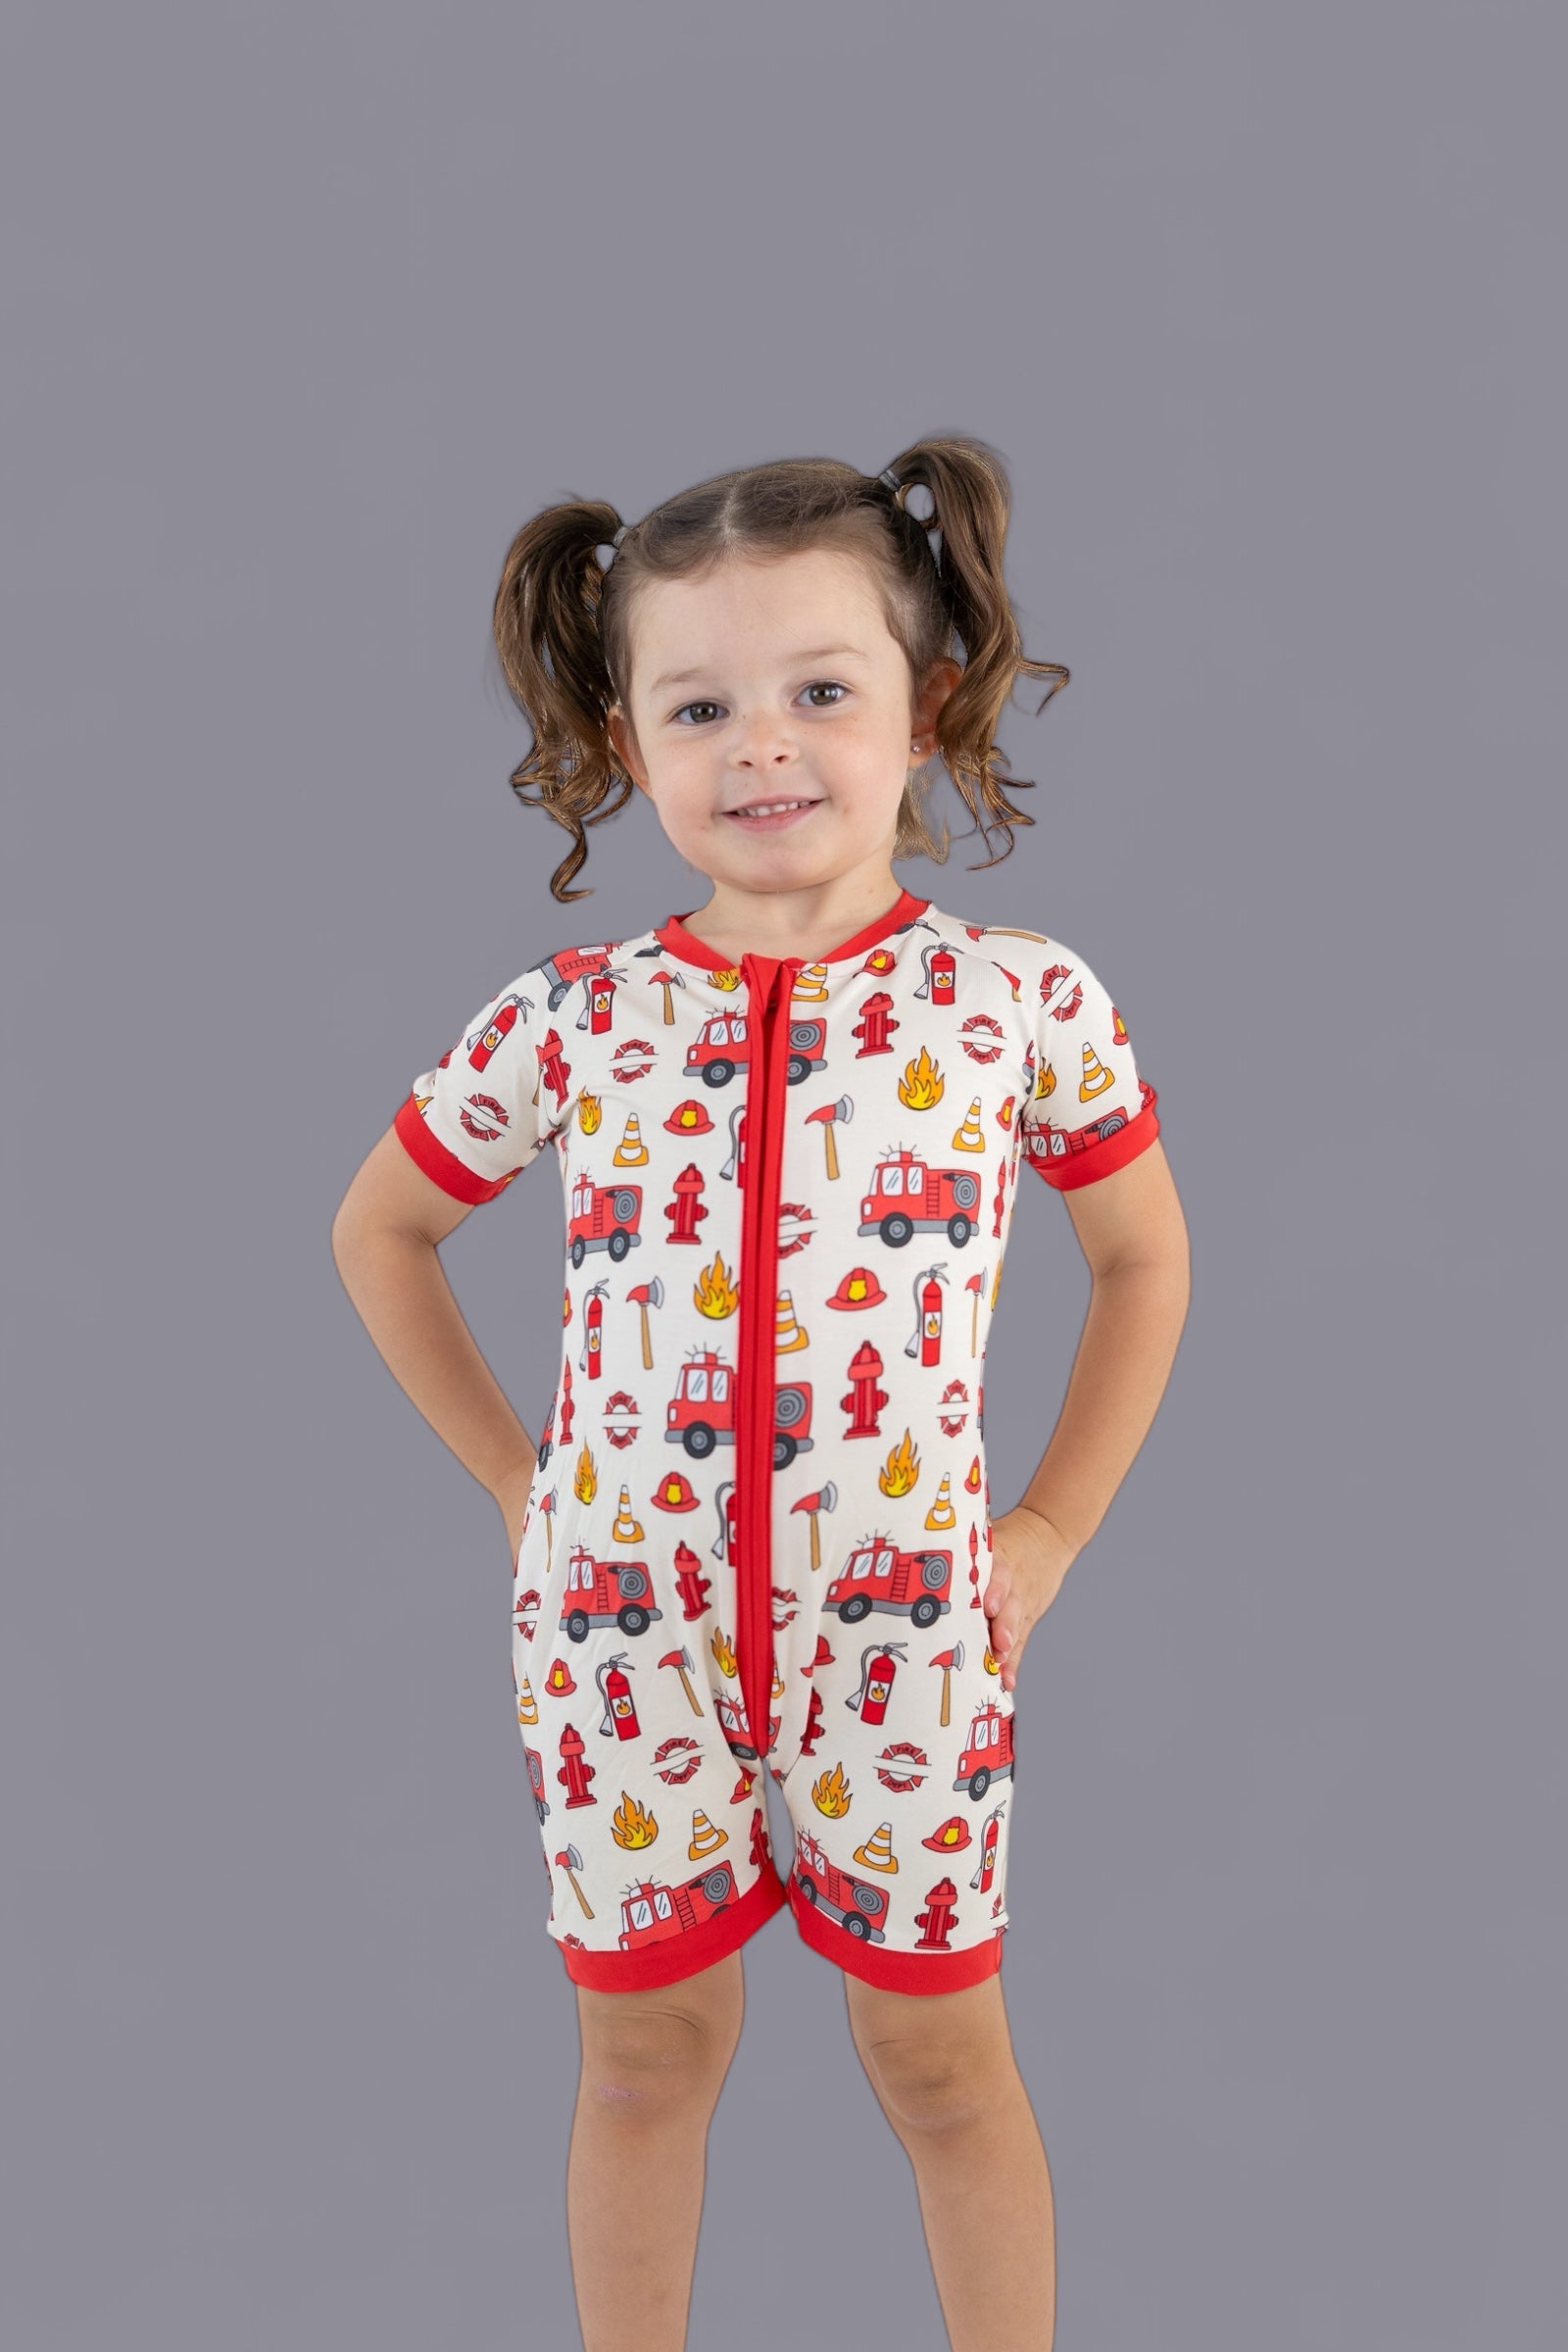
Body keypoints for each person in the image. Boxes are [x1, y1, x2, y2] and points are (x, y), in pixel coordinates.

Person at [330, 435, 1191, 2351]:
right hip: (619, 1637)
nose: (763, 747)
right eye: (700, 705)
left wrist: (1049, 1528)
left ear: (922, 705)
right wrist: (520, 1485)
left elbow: (1143, 1260)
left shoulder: (1018, 1003)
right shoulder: (571, 1017)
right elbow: (380, 1227)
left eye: (819, 689)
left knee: (940, 2063)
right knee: (643, 2062)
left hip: (910, 1636)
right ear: (627, 741)